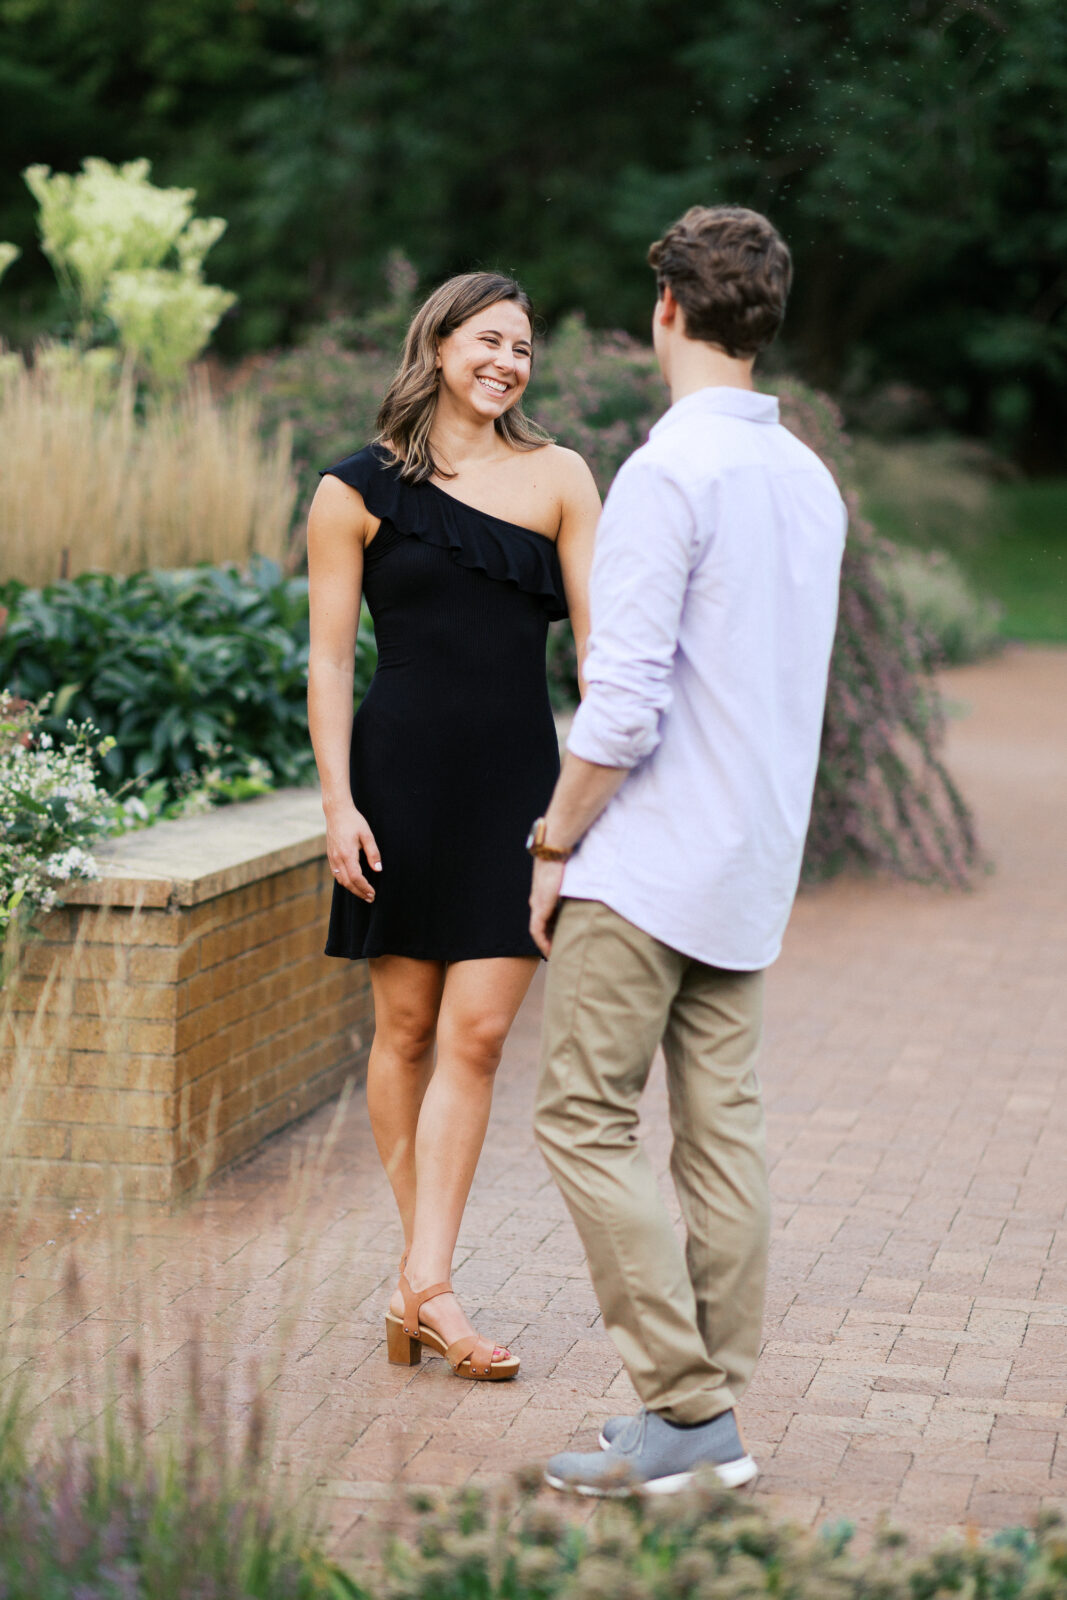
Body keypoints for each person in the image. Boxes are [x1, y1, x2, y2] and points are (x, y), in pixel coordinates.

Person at [528, 206, 847, 1491]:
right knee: (721, 1139)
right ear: (763, 319)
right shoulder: (807, 479)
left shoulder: (668, 473)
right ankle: (700, 1415)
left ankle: (679, 1404)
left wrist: (554, 837)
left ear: (663, 305)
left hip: (648, 863)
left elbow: (621, 704)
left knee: (578, 1118)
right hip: (749, 861)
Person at [307, 272, 599, 1383]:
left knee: (476, 1036)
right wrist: (338, 802)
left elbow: (603, 649)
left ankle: (421, 1283)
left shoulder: (562, 476)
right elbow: (330, 659)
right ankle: (427, 1284)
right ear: (436, 344)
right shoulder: (352, 490)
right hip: (397, 783)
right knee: (406, 1032)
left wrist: (581, 805)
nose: (508, 361)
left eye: (523, 347)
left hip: (518, 788)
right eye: (490, 339)